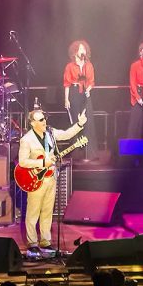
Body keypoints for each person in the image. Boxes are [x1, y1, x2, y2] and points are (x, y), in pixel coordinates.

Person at [18, 108, 86, 255]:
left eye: (44, 118)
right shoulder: (26, 139)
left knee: (47, 211)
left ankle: (45, 241)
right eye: (40, 120)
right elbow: (22, 162)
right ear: (32, 123)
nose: (44, 121)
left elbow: (66, 134)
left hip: (51, 177)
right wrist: (42, 163)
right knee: (33, 212)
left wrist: (79, 124)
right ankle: (32, 243)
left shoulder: (50, 133)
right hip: (36, 179)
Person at [62, 40, 95, 159]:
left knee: (87, 120)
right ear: (75, 51)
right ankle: (75, 152)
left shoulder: (88, 65)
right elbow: (67, 84)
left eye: (84, 49)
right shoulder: (70, 66)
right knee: (75, 122)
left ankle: (89, 152)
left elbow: (91, 81)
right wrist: (66, 99)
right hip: (75, 92)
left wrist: (89, 89)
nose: (83, 51)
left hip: (85, 93)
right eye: (81, 49)